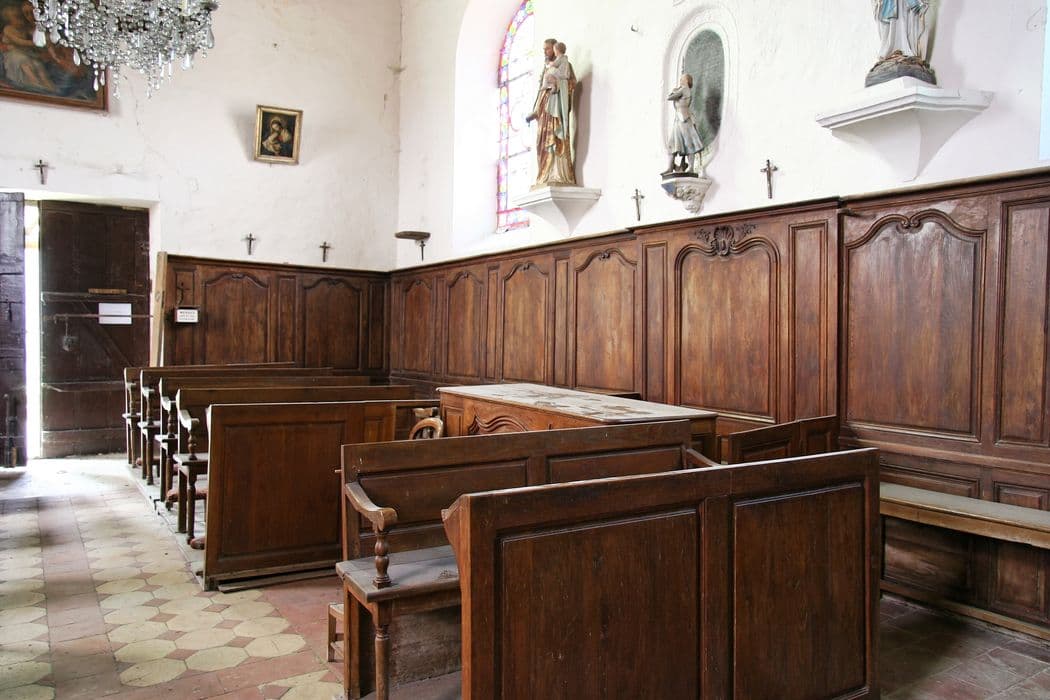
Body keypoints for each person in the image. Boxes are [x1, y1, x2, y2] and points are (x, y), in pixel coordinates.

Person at [525, 38, 577, 188]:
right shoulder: (547, 68)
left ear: (555, 49)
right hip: (543, 111)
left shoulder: (564, 65)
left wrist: (557, 84)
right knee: (541, 142)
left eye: (547, 49)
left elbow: (572, 83)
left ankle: (557, 173)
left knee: (555, 137)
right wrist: (536, 111)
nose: (545, 52)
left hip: (556, 109)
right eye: (544, 49)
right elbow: (541, 92)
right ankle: (545, 174)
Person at [0, 3, 56, 92]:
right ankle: (33, 81)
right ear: (9, 20)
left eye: (20, 18)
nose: (20, 21)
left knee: (37, 64)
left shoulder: (24, 29)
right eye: (16, 18)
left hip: (25, 52)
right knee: (23, 61)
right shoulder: (8, 29)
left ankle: (47, 84)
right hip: (13, 53)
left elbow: (40, 38)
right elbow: (19, 41)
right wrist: (34, 43)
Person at [663, 73, 704, 176]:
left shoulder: (685, 89)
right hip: (679, 119)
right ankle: (670, 167)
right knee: (673, 142)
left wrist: (674, 90)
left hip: (684, 119)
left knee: (688, 142)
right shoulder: (682, 89)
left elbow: (670, 97)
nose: (680, 81)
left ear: (686, 81)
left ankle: (691, 167)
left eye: (682, 79)